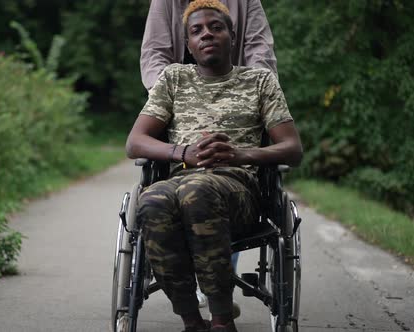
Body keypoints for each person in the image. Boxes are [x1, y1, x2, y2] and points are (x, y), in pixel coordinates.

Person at [126, 1, 303, 331]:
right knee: (151, 201)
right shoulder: (174, 79)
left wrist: (240, 154)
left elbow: (292, 149)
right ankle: (192, 320)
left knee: (198, 191)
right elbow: (134, 142)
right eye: (196, 31)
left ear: (232, 37)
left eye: (216, 28)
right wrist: (184, 152)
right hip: (182, 175)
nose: (206, 34)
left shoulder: (260, 81)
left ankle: (222, 319)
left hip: (238, 185)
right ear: (189, 46)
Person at [140, 0, 277, 91]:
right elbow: (155, 52)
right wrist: (167, 94)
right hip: (179, 95)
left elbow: (259, 48)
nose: (206, 35)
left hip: (237, 90)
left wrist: (255, 91)